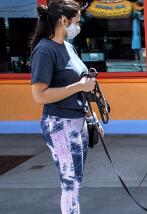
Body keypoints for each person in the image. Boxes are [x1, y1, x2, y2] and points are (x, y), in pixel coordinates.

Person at [30, 1, 104, 213]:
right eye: (76, 22)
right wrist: (79, 85)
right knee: (70, 181)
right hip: (58, 125)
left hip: (78, 122)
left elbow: (81, 89)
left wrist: (92, 118)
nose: (77, 27)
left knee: (76, 180)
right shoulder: (44, 50)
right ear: (63, 21)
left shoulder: (68, 47)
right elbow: (39, 95)